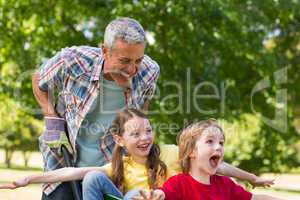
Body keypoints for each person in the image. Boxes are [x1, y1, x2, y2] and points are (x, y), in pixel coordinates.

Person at [0, 109, 274, 200]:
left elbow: (218, 166)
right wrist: (28, 179)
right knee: (93, 178)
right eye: (135, 134)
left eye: (148, 131)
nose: (145, 138)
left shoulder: (168, 153)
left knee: (137, 194)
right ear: (119, 139)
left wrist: (253, 178)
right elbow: (71, 172)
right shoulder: (120, 165)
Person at [31, 17, 160, 200]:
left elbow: (142, 109)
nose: (132, 69)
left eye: (138, 60)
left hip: (108, 171)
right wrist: (51, 116)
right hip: (63, 161)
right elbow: (38, 78)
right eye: (124, 61)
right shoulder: (74, 61)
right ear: (105, 51)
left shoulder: (149, 71)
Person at [144, 119, 283, 200]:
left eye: (221, 143)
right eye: (210, 141)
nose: (218, 147)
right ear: (192, 151)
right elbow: (162, 194)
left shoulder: (226, 185)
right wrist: (154, 195)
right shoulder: (179, 183)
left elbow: (254, 198)